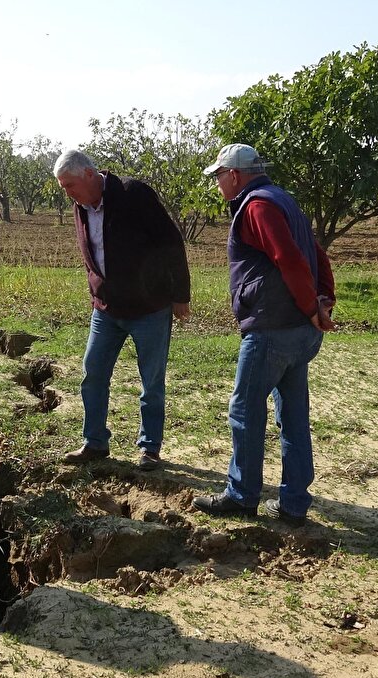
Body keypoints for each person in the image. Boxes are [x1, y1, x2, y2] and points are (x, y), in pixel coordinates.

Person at [192, 144, 335, 527]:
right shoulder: (283, 199)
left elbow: (290, 258)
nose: (217, 183)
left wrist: (311, 306)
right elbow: (317, 254)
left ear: (234, 175)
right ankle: (293, 504)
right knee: (293, 415)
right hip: (300, 330)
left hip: (273, 330)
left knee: (244, 411)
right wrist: (323, 301)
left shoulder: (257, 206)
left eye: (218, 175)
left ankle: (241, 495)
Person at [53, 149, 192, 471]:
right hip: (106, 310)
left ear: (89, 175)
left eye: (69, 185)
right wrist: (96, 291)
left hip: (150, 308)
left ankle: (149, 448)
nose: (67, 193)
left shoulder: (134, 195)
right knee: (93, 374)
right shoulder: (81, 205)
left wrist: (180, 294)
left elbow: (171, 242)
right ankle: (95, 442)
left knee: (151, 382)